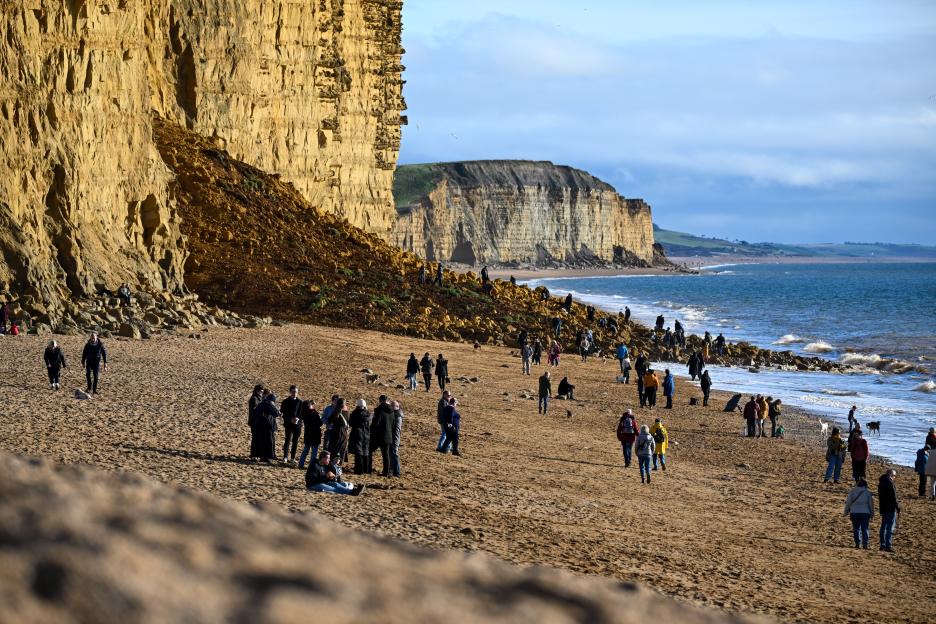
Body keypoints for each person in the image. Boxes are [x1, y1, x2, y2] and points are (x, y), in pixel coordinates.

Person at [844, 478, 874, 549]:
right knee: (865, 529)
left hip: (854, 512)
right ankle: (865, 544)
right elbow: (871, 504)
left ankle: (857, 543)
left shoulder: (852, 491)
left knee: (856, 528)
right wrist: (872, 513)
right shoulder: (867, 492)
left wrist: (845, 512)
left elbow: (848, 503)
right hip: (865, 513)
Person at [370, 395, 394, 477]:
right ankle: (386, 472)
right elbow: (393, 424)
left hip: (378, 435)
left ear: (380, 401)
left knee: (369, 450)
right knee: (386, 454)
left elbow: (376, 424)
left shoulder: (379, 410)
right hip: (388, 435)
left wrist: (371, 432)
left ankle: (368, 468)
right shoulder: (392, 411)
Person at [253, 392, 280, 463]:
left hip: (259, 426)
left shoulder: (261, 403)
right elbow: (276, 414)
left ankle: (262, 457)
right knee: (269, 442)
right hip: (267, 426)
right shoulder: (269, 404)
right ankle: (268, 457)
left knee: (262, 442)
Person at [280, 385, 304, 464]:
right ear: (290, 392)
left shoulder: (300, 402)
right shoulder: (285, 401)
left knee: (295, 441)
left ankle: (293, 458)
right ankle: (285, 457)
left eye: (296, 392)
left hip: (297, 425)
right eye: (293, 392)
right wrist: (290, 419)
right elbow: (283, 413)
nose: (295, 393)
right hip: (289, 424)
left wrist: (298, 419)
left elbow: (302, 414)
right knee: (287, 440)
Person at [348, 399, 372, 475]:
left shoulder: (354, 413)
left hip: (357, 434)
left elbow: (351, 424)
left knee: (358, 453)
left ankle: (359, 470)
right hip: (366, 435)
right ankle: (366, 469)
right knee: (365, 452)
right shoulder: (368, 414)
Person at [878, 469, 900, 552]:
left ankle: (882, 545)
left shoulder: (881, 482)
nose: (894, 478)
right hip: (890, 508)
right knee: (890, 527)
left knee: (883, 526)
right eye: (894, 476)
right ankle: (888, 545)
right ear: (891, 475)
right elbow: (893, 497)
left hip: (883, 507)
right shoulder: (890, 483)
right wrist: (897, 507)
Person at [297, 399, 322, 469]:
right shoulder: (314, 413)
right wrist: (316, 411)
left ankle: (301, 464)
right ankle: (311, 466)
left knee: (305, 450)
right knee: (314, 452)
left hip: (308, 434)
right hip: (315, 434)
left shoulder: (304, 413)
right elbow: (320, 423)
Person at [327, 398, 350, 464]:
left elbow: (329, 420)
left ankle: (332, 464)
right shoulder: (347, 412)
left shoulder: (336, 411)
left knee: (334, 450)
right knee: (342, 450)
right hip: (344, 434)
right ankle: (339, 465)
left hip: (336, 434)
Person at [248, 384, 264, 458]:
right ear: (257, 391)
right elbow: (254, 410)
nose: (261, 392)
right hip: (254, 421)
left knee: (258, 438)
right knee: (255, 438)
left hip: (259, 421)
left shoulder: (259, 397)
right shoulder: (254, 398)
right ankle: (253, 454)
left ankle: (257, 454)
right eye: (260, 391)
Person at [389, 400, 403, 477]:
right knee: (391, 454)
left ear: (396, 407)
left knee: (394, 454)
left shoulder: (397, 415)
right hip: (394, 437)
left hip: (394, 437)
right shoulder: (397, 414)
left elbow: (396, 429)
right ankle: (392, 470)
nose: (390, 407)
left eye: (391, 406)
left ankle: (397, 472)